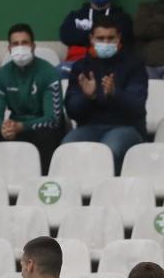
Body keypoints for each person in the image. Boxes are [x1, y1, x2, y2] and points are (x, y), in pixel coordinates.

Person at [0, 24, 65, 170]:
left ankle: (42, 184)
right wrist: (3, 128)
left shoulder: (49, 73)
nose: (20, 47)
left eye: (25, 43)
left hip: (40, 130)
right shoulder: (3, 74)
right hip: (14, 130)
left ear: (33, 46)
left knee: (46, 137)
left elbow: (53, 119)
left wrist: (21, 127)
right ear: (9, 48)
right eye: (15, 44)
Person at [62, 17, 147, 172]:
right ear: (91, 39)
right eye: (100, 38)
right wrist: (89, 97)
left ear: (118, 38)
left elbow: (138, 107)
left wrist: (115, 93)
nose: (106, 42)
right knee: (67, 147)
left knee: (109, 150)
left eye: (110, 38)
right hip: (89, 127)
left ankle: (107, 192)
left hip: (126, 128)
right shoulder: (81, 67)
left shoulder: (134, 65)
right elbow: (72, 110)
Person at [59, 0, 134, 75]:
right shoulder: (75, 16)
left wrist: (83, 37)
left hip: (111, 66)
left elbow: (125, 38)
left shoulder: (122, 18)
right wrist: (102, 38)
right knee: (57, 72)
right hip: (76, 64)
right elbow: (66, 36)